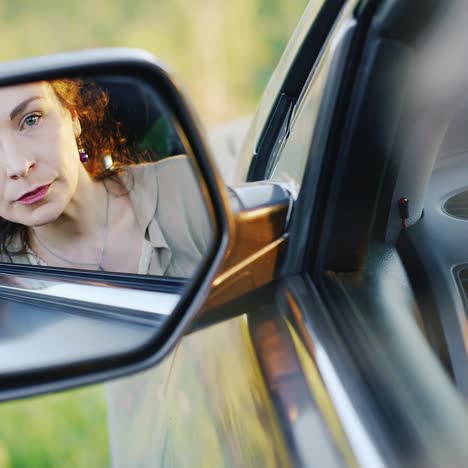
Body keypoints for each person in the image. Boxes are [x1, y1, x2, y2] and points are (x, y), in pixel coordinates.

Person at [0, 79, 212, 277]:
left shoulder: (185, 188)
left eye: (31, 120)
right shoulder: (6, 275)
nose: (18, 166)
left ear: (72, 117)